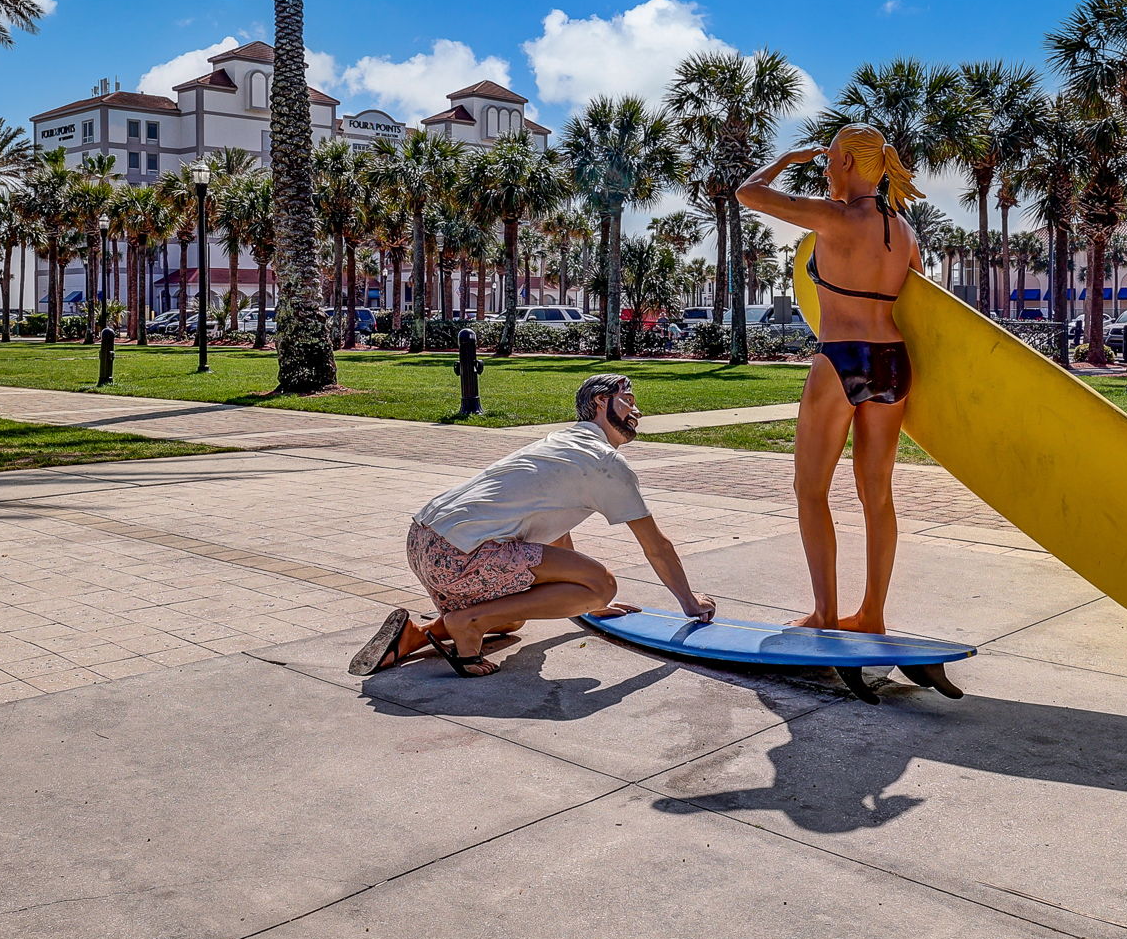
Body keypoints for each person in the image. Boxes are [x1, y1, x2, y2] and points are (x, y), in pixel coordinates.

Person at [349, 374, 716, 679]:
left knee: (512, 621)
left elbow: (553, 525)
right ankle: (467, 624)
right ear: (602, 402)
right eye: (629, 400)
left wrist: (577, 594)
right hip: (461, 555)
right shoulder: (605, 463)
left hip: (424, 542)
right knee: (602, 584)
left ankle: (416, 636)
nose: (637, 411)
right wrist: (688, 602)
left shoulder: (560, 442)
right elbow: (656, 546)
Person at [737, 124, 924, 633]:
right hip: (892, 361)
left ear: (846, 163)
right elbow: (922, 302)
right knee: (878, 495)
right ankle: (872, 616)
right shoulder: (904, 230)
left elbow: (747, 192)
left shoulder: (834, 217)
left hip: (840, 357)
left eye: (829, 160)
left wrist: (784, 159)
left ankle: (823, 613)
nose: (824, 171)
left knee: (810, 488)